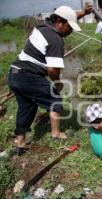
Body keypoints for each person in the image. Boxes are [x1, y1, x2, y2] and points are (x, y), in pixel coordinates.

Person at [7, 3, 93, 156]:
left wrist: (84, 13)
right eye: (69, 27)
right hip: (28, 76)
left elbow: (67, 18)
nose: (71, 31)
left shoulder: (44, 25)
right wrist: (58, 84)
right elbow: (52, 70)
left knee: (26, 106)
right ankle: (56, 134)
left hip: (14, 73)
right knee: (55, 99)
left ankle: (20, 143)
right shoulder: (56, 39)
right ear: (59, 22)